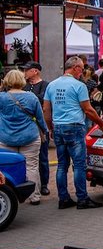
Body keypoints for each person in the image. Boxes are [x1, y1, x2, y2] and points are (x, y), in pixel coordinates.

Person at [42, 56, 103, 209]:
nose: (82, 71)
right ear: (75, 68)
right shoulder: (79, 86)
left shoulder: (51, 85)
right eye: (81, 68)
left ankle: (64, 199)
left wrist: (50, 128)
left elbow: (46, 110)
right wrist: (102, 124)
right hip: (74, 127)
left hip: (58, 127)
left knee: (61, 165)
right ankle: (82, 198)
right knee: (79, 165)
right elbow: (88, 110)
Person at [0, 69, 48, 205]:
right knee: (32, 166)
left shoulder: (1, 97)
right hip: (30, 137)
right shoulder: (31, 97)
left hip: (6, 138)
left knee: (7, 167)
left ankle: (10, 195)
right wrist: (45, 131)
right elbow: (40, 117)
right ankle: (35, 196)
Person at [22, 61, 50, 195]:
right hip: (26, 128)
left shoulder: (46, 85)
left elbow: (42, 101)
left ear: (35, 71)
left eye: (27, 70)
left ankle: (44, 184)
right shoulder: (24, 86)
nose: (24, 72)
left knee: (43, 158)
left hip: (40, 127)